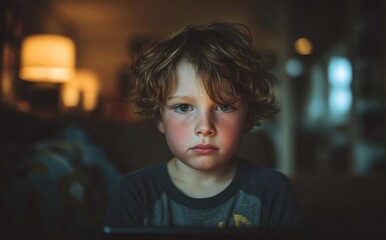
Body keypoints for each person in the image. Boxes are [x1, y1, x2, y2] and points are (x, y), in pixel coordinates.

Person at [104, 22, 304, 229]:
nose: (205, 127)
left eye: (224, 107)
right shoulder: (135, 191)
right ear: (158, 119)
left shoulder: (272, 190)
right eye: (183, 107)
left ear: (248, 117)